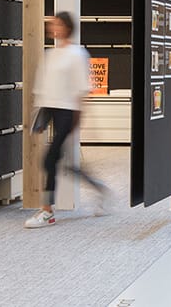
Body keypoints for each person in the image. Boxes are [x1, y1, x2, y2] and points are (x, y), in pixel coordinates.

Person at [25, 12, 112, 229]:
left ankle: (47, 211)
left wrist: (79, 118)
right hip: (51, 110)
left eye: (59, 24)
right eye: (53, 23)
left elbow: (83, 88)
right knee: (64, 164)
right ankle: (100, 190)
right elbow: (44, 88)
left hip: (68, 111)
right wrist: (40, 119)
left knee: (49, 160)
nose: (54, 27)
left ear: (68, 27)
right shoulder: (51, 54)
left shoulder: (77, 53)